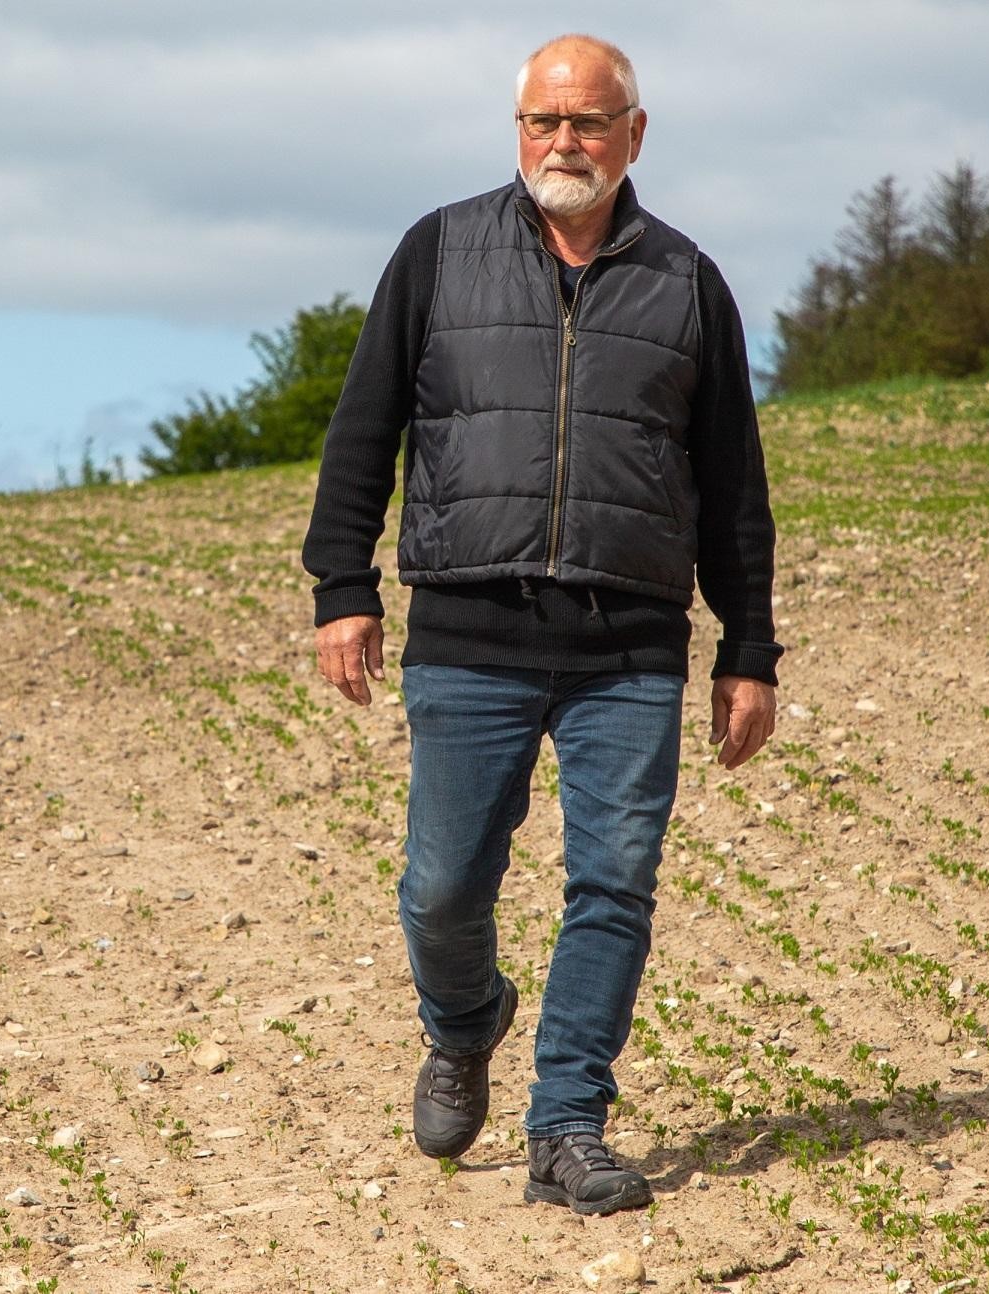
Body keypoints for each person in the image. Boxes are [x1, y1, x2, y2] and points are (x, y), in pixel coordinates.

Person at [301, 33, 782, 1216]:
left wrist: (749, 647)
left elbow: (733, 480)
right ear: (517, 129)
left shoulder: (685, 281)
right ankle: (464, 1023)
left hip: (629, 640)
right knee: (442, 887)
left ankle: (566, 1122)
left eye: (586, 121)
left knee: (612, 884)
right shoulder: (438, 252)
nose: (561, 143)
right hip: (469, 626)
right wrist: (341, 587)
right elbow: (366, 426)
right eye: (540, 122)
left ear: (634, 132)